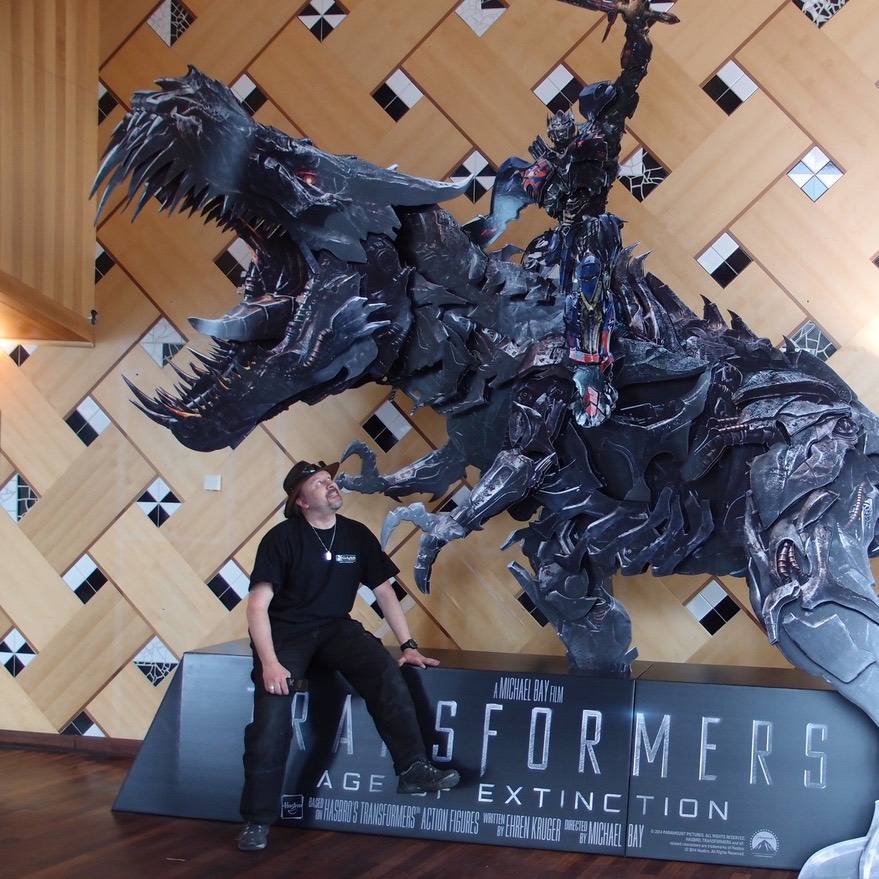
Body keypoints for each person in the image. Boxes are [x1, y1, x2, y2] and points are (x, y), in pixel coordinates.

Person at [237, 460, 460, 852]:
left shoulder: (355, 534)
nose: (330, 485)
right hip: (286, 633)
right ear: (301, 501)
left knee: (383, 670)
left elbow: (385, 591)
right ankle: (257, 820)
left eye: (330, 479)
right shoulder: (281, 538)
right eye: (319, 483)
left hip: (335, 626)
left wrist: (408, 646)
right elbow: (257, 605)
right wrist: (270, 663)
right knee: (271, 722)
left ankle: (412, 769)